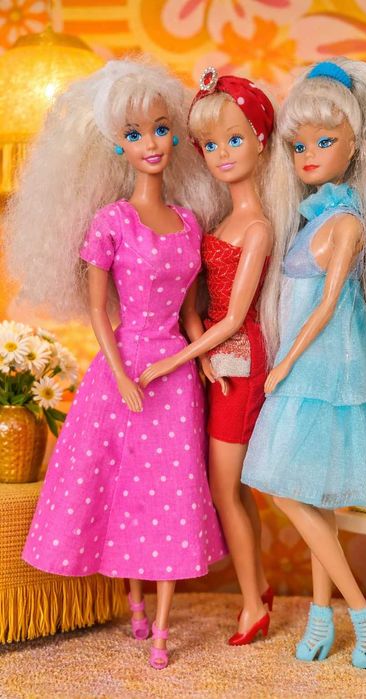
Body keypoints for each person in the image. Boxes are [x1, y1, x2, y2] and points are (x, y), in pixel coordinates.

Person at [5, 58, 226, 670]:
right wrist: (123, 375)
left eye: (160, 129)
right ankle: (133, 603)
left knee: (173, 491)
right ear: (116, 145)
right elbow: (100, 312)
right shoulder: (112, 221)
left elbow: (191, 311)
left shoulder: (188, 221)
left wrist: (202, 357)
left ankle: (162, 626)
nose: (150, 143)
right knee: (124, 487)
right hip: (122, 370)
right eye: (134, 134)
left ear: (174, 136)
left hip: (175, 376)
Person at [241, 58, 366, 668]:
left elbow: (328, 306)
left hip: (325, 374)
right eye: (299, 145)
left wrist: (285, 363)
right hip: (307, 373)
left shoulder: (349, 220)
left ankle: (362, 614)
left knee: (286, 490)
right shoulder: (310, 219)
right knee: (310, 495)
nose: (308, 155)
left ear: (355, 145)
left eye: (325, 142)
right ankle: (321, 617)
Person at [139, 68, 275, 645]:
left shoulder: (259, 227)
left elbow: (235, 316)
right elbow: (199, 300)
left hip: (240, 362)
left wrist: (176, 359)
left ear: (261, 142)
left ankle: (252, 606)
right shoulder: (221, 220)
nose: (222, 154)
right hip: (216, 360)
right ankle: (259, 586)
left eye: (234, 139)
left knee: (225, 490)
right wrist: (196, 353)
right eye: (211, 144)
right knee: (234, 489)